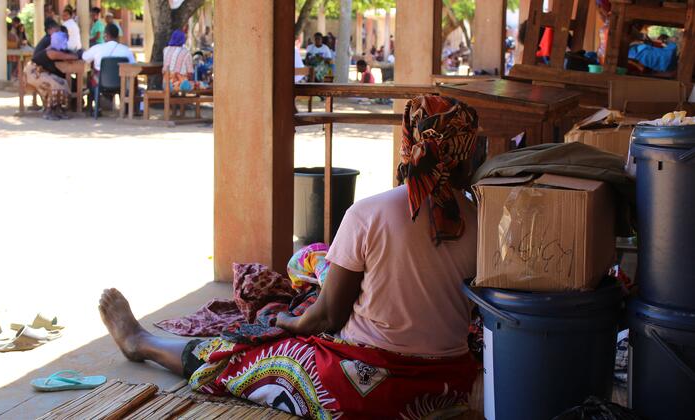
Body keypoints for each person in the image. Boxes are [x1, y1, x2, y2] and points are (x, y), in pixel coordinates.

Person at [99, 95, 480, 419]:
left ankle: (141, 342)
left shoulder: (370, 213)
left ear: (408, 140)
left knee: (238, 350)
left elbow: (329, 317)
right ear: (466, 152)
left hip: (365, 391)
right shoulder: (483, 219)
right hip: (450, 389)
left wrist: (287, 321)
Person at [25, 32, 78, 120]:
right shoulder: (52, 52)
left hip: (41, 72)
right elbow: (70, 57)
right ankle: (49, 111)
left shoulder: (52, 49)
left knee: (63, 82)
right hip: (34, 73)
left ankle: (58, 109)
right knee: (55, 85)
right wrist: (77, 54)